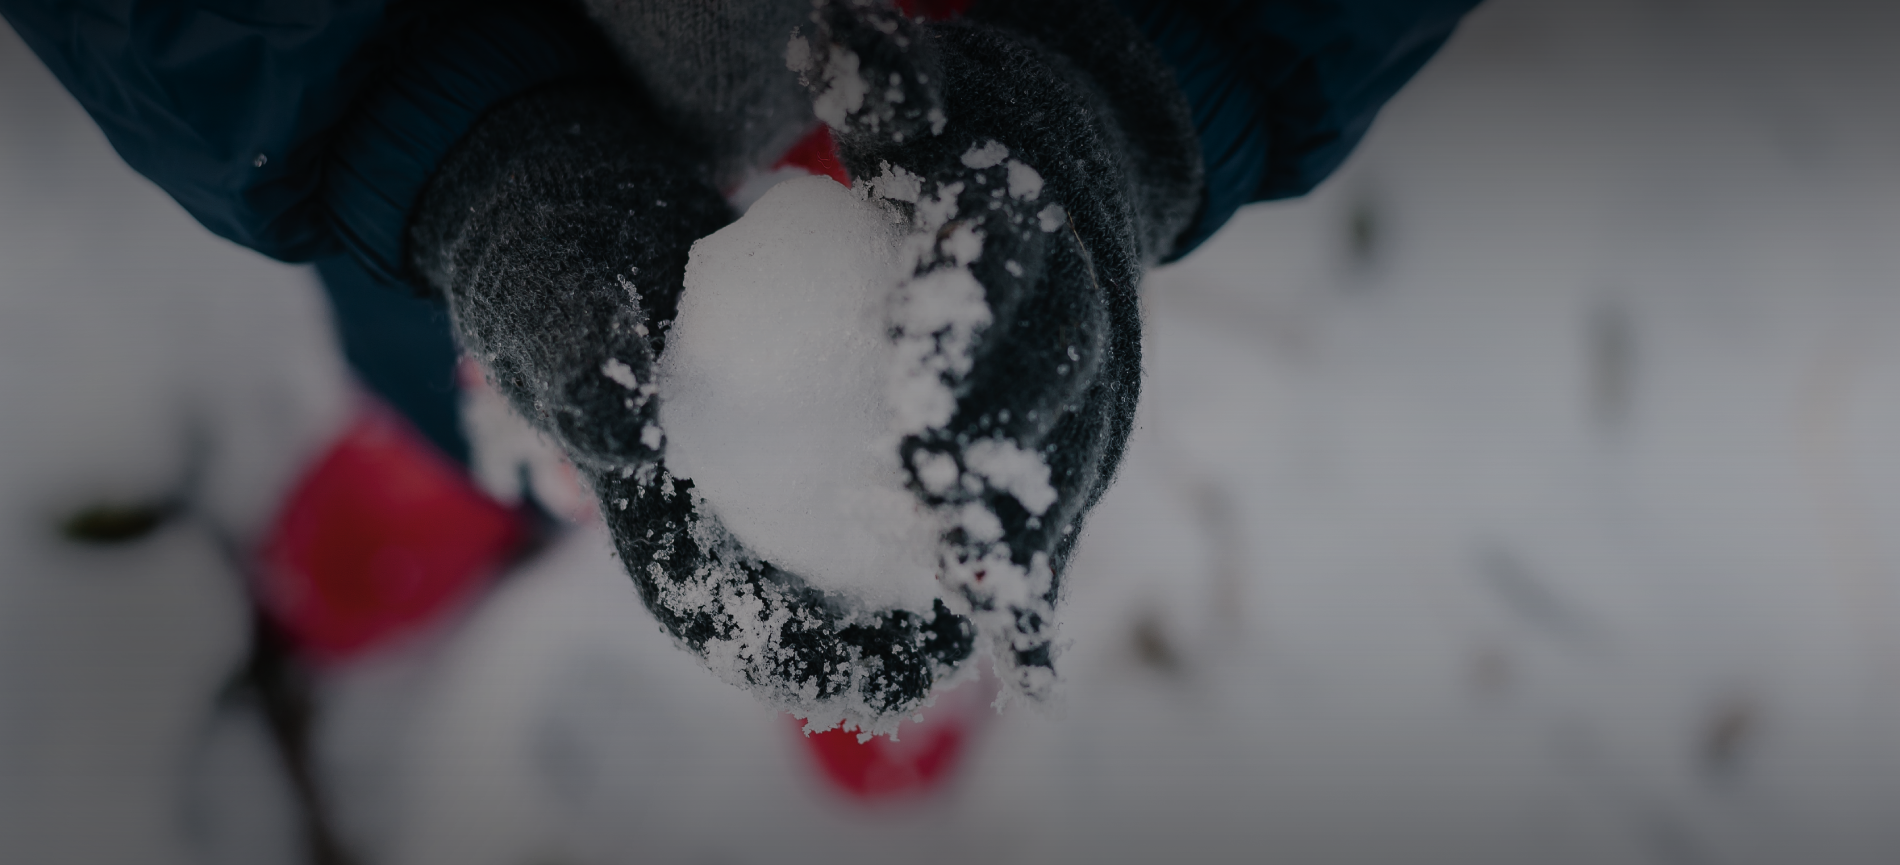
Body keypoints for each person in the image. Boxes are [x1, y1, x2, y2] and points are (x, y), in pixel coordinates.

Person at [1, 0, 1480, 729]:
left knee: (995, 388)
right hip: (476, 40)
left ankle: (911, 611)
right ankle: (477, 461)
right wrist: (435, 142)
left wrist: (1153, 75)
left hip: (997, 37)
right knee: (513, 337)